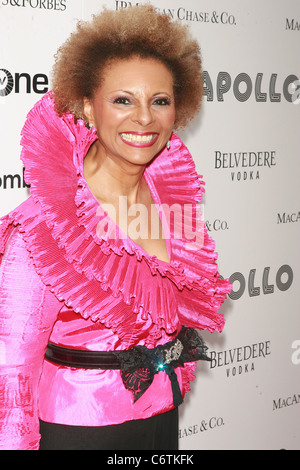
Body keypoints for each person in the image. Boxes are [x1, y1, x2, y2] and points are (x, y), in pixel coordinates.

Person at [0, 5, 231, 450]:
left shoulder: (172, 204)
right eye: (123, 99)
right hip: (80, 430)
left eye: (159, 101)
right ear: (88, 105)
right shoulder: (42, 229)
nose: (144, 118)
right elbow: (11, 373)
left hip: (162, 415)